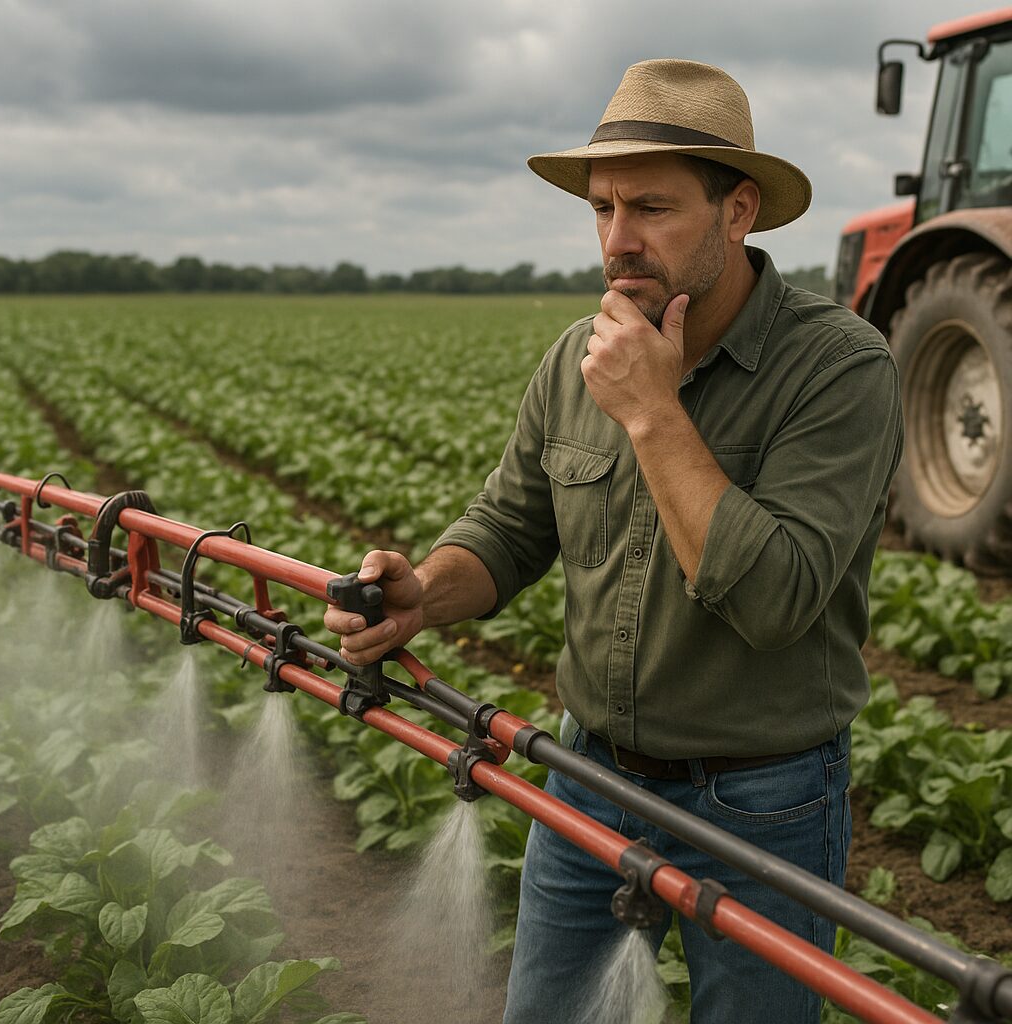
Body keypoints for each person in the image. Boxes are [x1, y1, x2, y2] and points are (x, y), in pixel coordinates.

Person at [324, 58, 903, 1024]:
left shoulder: (839, 367)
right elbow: (509, 526)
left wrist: (654, 412)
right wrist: (427, 589)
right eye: (601, 208)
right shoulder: (574, 356)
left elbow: (776, 599)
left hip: (765, 803)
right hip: (589, 778)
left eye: (652, 207)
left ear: (738, 211)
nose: (618, 241)